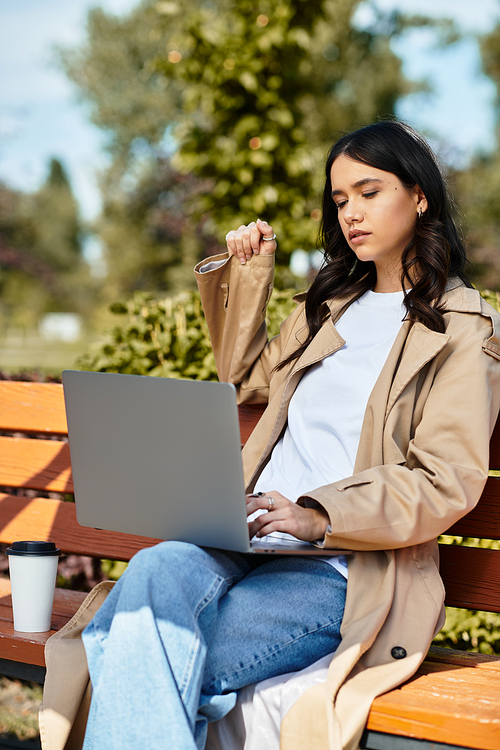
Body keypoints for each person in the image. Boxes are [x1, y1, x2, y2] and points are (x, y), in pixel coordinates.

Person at [46, 121, 500, 750]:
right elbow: (245, 376)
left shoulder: (461, 328)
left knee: (136, 648)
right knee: (156, 567)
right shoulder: (330, 305)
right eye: (340, 201)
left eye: (369, 193)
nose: (351, 215)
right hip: (244, 536)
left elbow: (445, 477)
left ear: (420, 195)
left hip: (338, 570)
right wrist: (250, 274)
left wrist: (317, 514)